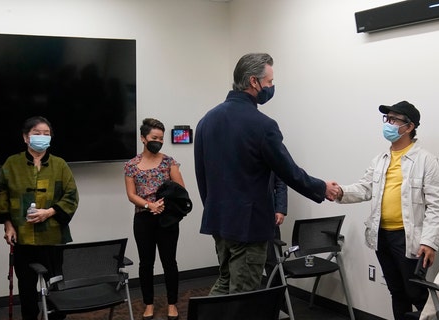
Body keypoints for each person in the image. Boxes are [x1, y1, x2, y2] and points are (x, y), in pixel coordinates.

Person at [194, 53, 338, 295]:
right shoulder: (262, 125)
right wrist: (321, 187)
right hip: (248, 228)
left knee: (224, 284)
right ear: (253, 81)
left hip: (218, 221)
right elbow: (288, 171)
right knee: (244, 296)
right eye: (270, 82)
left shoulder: (206, 121)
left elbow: (202, 177)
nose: (271, 87)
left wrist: (214, 208)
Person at [334, 101, 439, 320]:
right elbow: (365, 188)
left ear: (410, 126)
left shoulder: (425, 160)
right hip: (381, 236)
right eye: (387, 119)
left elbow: (438, 205)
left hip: (409, 238)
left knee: (416, 292)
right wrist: (339, 191)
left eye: (394, 119)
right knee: (396, 291)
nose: (388, 123)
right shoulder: (380, 160)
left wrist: (430, 242)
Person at [0, 116, 79, 320]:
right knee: (27, 290)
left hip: (53, 237)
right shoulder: (12, 164)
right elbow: (1, 195)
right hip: (22, 237)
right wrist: (8, 225)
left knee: (56, 288)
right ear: (26, 137)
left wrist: (49, 212)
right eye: (36, 133)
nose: (42, 137)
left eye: (46, 134)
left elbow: (71, 196)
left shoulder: (60, 164)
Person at [124, 118, 185, 320]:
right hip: (143, 218)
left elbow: (181, 191)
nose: (158, 141)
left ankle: (172, 304)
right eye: (154, 137)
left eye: (160, 138)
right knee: (146, 263)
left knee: (169, 262)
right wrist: (150, 205)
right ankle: (148, 304)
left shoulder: (169, 162)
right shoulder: (131, 165)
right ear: (143, 138)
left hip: (167, 219)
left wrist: (163, 205)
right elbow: (131, 195)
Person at [263, 173, 287, 287]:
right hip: (241, 215)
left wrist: (280, 209)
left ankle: (277, 302)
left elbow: (281, 182)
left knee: (273, 260)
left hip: (268, 214)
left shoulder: (272, 154)